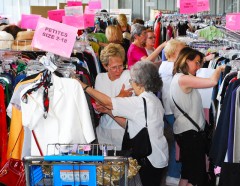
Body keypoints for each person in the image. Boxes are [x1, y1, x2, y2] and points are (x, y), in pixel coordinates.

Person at [77, 61, 169, 186]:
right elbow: (131, 125)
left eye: (131, 81)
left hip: (149, 158)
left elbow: (108, 101)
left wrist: (83, 86)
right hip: (158, 155)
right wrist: (109, 112)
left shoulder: (139, 103)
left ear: (140, 83)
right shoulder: (153, 99)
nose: (130, 84)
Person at [170, 47, 225, 186]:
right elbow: (212, 82)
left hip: (187, 133)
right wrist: (220, 68)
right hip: (190, 134)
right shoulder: (183, 79)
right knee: (196, 176)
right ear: (186, 60)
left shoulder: (179, 78)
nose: (199, 67)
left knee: (188, 174)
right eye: (196, 63)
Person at [94, 43, 132, 150]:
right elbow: (98, 109)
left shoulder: (127, 75)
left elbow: (124, 106)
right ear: (105, 66)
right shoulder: (100, 78)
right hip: (103, 131)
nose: (119, 70)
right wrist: (119, 96)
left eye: (121, 66)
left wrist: (105, 105)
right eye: (114, 67)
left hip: (122, 131)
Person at [158, 39, 186, 186]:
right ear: (175, 53)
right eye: (183, 51)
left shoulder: (166, 65)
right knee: (179, 142)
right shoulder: (170, 66)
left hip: (170, 110)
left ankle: (174, 174)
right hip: (172, 110)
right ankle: (174, 174)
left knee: (178, 141)